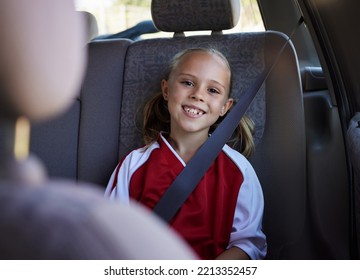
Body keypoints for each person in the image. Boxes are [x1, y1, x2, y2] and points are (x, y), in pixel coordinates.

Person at [105, 47, 267, 260]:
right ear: (166, 90)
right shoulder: (133, 165)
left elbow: (248, 245)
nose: (197, 95)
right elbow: (111, 237)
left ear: (225, 107)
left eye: (213, 90)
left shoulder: (239, 170)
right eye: (187, 83)